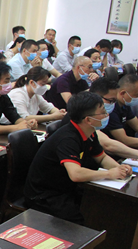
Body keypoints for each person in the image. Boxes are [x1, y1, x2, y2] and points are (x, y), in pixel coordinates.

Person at [25, 91, 131, 224]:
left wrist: (120, 168)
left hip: (67, 187)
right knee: (85, 219)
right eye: (103, 112)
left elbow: (101, 157)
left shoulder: (90, 132)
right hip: (44, 195)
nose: (107, 115)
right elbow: (75, 174)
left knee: (101, 206)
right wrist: (109, 174)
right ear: (88, 119)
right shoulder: (68, 139)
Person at [101, 74, 138, 148]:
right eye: (136, 95)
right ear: (123, 93)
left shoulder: (125, 105)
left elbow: (136, 125)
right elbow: (124, 140)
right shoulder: (111, 109)